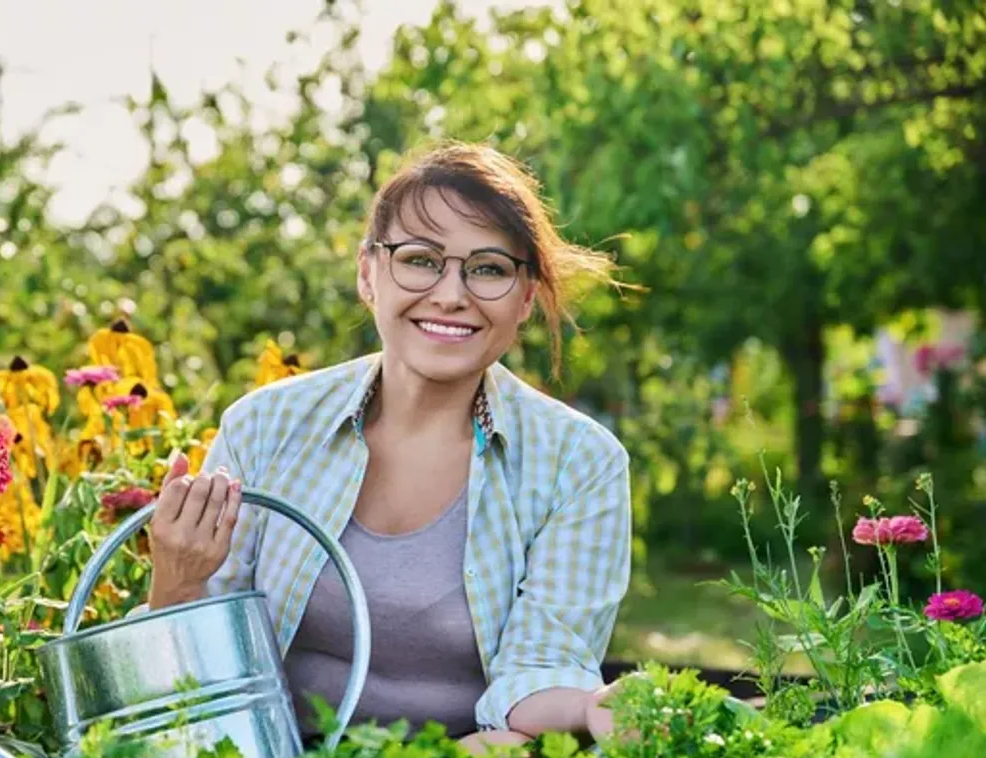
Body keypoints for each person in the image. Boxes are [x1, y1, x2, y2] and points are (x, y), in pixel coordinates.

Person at [144, 141, 632, 754]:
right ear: (368, 273)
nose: (452, 295)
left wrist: (592, 708)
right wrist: (175, 581)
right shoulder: (265, 428)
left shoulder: (578, 463)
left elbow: (542, 666)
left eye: (488, 268)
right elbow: (193, 683)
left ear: (525, 297)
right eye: (420, 259)